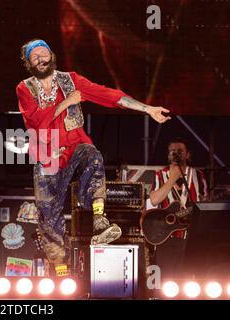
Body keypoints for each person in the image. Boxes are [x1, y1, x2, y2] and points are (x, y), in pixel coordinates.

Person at [16, 39, 171, 269]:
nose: (40, 59)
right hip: (47, 157)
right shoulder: (24, 88)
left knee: (92, 155)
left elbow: (109, 95)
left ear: (52, 56)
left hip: (74, 148)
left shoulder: (71, 80)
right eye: (34, 56)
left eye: (43, 54)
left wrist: (147, 109)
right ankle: (60, 273)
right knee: (49, 219)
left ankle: (99, 218)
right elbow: (36, 122)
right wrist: (67, 102)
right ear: (28, 62)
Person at [148, 137, 208, 280]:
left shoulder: (198, 176)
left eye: (179, 151)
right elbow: (155, 199)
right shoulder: (160, 175)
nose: (175, 154)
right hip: (168, 237)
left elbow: (204, 205)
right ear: (168, 155)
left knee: (188, 278)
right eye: (172, 151)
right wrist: (172, 179)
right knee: (167, 279)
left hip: (191, 237)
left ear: (188, 155)